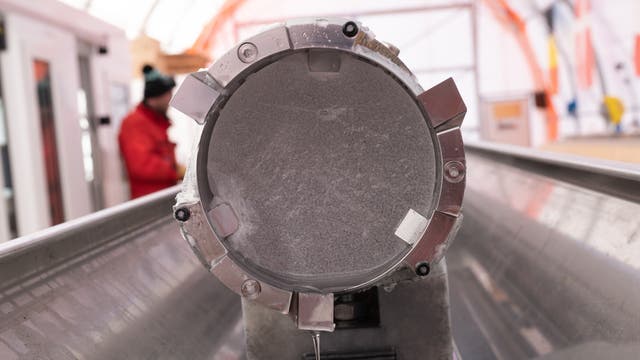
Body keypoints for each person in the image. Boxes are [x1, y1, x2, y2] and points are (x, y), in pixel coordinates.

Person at [119, 64, 185, 199]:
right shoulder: (135, 123)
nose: (170, 101)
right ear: (155, 98)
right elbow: (141, 164)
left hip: (163, 196)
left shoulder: (155, 122)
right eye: (168, 95)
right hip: (148, 201)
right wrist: (175, 170)